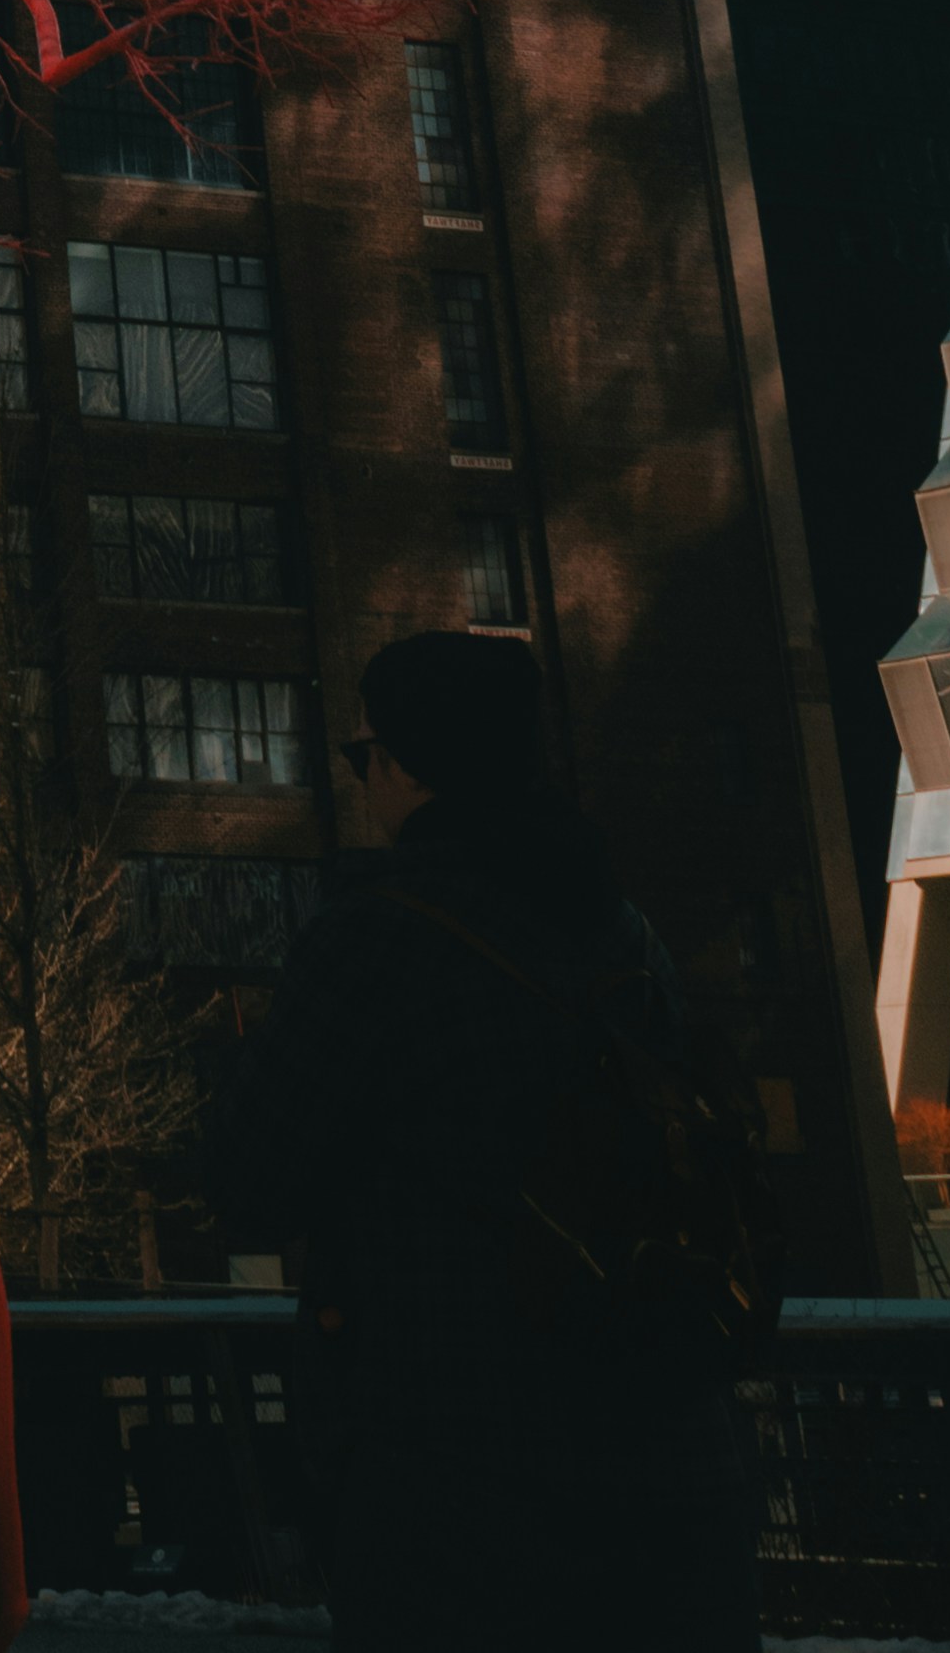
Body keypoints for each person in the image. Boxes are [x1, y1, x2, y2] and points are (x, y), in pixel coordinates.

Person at [207, 627, 766, 1650]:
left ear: (409, 764)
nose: (363, 776)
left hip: (456, 1474)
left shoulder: (373, 938)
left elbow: (251, 1177)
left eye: (362, 753)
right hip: (668, 1454)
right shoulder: (620, 932)